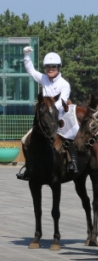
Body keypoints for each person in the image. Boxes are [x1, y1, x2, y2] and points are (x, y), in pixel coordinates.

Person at [16, 47, 75, 180]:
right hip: (44, 121)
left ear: (59, 67)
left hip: (59, 118)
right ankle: (28, 167)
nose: (50, 69)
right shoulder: (44, 79)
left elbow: (62, 102)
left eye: (53, 66)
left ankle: (73, 163)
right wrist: (26, 55)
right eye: (48, 66)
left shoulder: (64, 84)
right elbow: (31, 70)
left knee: (69, 140)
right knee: (25, 140)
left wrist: (49, 109)